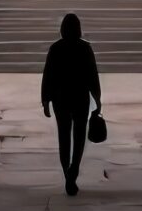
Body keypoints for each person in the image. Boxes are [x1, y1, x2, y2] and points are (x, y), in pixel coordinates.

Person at [40, 13, 102, 195]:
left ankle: (67, 172)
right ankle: (74, 169)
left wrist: (45, 101)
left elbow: (48, 76)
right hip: (79, 97)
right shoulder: (85, 48)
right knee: (79, 136)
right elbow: (93, 76)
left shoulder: (56, 48)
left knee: (64, 137)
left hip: (61, 99)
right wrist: (97, 100)